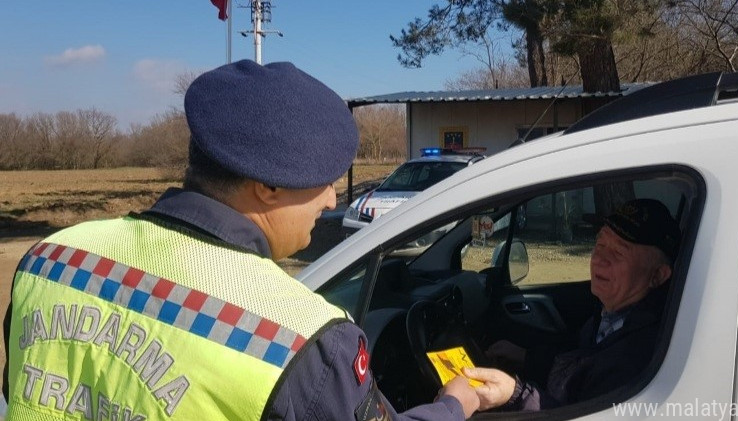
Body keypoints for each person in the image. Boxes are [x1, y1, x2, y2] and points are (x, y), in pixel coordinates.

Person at [2, 60, 479, 420]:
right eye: (324, 180)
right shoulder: (305, 341)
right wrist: (456, 404)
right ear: (266, 184)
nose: (332, 201)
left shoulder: (51, 258)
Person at [464, 198, 681, 412]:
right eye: (600, 243)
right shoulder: (613, 314)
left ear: (658, 275)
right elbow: (580, 362)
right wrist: (526, 357)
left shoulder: (640, 358)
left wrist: (515, 394)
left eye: (618, 252)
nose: (598, 258)